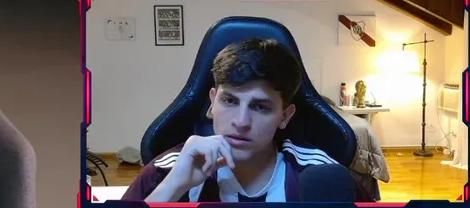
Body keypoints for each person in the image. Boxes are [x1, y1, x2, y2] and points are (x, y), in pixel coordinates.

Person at [121, 38, 371, 203]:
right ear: (213, 102)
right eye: (230, 101)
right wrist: (174, 186)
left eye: (260, 107)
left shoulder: (319, 175)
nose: (241, 122)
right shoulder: (168, 170)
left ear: (284, 116)